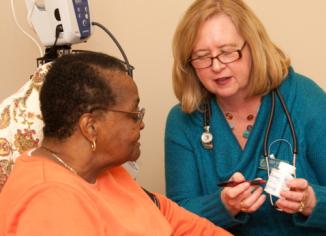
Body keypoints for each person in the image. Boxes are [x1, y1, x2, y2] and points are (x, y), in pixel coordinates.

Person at [164, 0, 326, 235]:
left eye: (227, 52)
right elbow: (176, 216)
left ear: (253, 47)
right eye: (202, 56)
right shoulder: (183, 120)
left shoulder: (304, 98)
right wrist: (223, 206)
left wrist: (312, 201)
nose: (216, 66)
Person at [0, 52, 231, 236]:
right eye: (133, 114)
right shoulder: (50, 201)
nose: (141, 124)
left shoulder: (105, 171)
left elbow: (182, 224)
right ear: (90, 126)